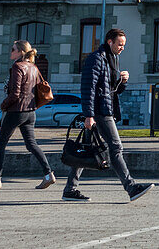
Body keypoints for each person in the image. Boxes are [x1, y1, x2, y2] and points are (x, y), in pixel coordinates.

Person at [63, 28, 153, 202]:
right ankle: (131, 187)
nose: (122, 48)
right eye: (120, 44)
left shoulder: (111, 59)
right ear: (110, 42)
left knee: (86, 148)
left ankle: (70, 189)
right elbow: (88, 89)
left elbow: (112, 91)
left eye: (124, 45)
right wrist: (89, 115)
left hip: (105, 109)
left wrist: (123, 82)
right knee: (116, 147)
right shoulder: (96, 59)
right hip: (99, 112)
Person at [0, 40, 56, 189]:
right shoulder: (33, 67)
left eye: (13, 49)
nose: (11, 52)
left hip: (16, 111)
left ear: (20, 52)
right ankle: (48, 174)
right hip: (31, 112)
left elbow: (15, 94)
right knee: (31, 144)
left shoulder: (17, 67)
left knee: (0, 144)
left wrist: (3, 106)